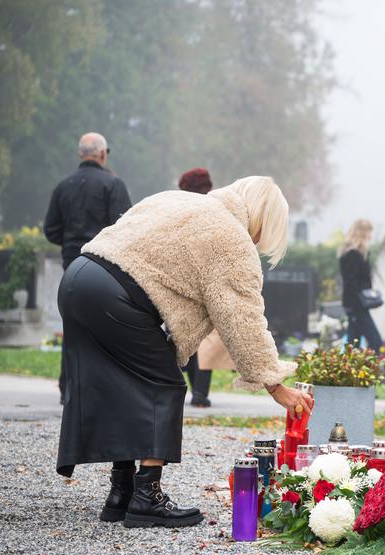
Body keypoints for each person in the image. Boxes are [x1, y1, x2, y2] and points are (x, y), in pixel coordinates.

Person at [57, 176, 312, 529]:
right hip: (112, 293)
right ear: (260, 219)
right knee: (164, 385)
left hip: (78, 277)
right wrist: (274, 384)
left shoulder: (180, 200)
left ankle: (122, 492)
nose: (256, 241)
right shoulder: (231, 237)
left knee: (124, 385)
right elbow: (242, 319)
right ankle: (147, 497)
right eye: (261, 233)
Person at [44, 133, 132, 402]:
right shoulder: (113, 185)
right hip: (104, 264)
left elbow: (51, 230)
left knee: (73, 323)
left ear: (81, 154)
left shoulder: (62, 187)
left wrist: (71, 244)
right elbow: (126, 226)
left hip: (72, 262)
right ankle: (100, 389)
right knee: (105, 325)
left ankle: (67, 387)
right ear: (103, 154)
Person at [176, 168, 234, 408]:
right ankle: (200, 393)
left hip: (185, 280)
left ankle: (196, 391)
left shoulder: (181, 211)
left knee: (186, 336)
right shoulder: (218, 211)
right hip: (210, 280)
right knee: (207, 338)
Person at [339, 219, 383, 351]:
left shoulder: (355, 252)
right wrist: (358, 304)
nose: (371, 236)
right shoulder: (353, 254)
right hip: (357, 305)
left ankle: (351, 371)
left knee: (352, 345)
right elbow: (350, 282)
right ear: (362, 233)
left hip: (356, 304)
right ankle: (370, 370)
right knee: (375, 341)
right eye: (369, 232)